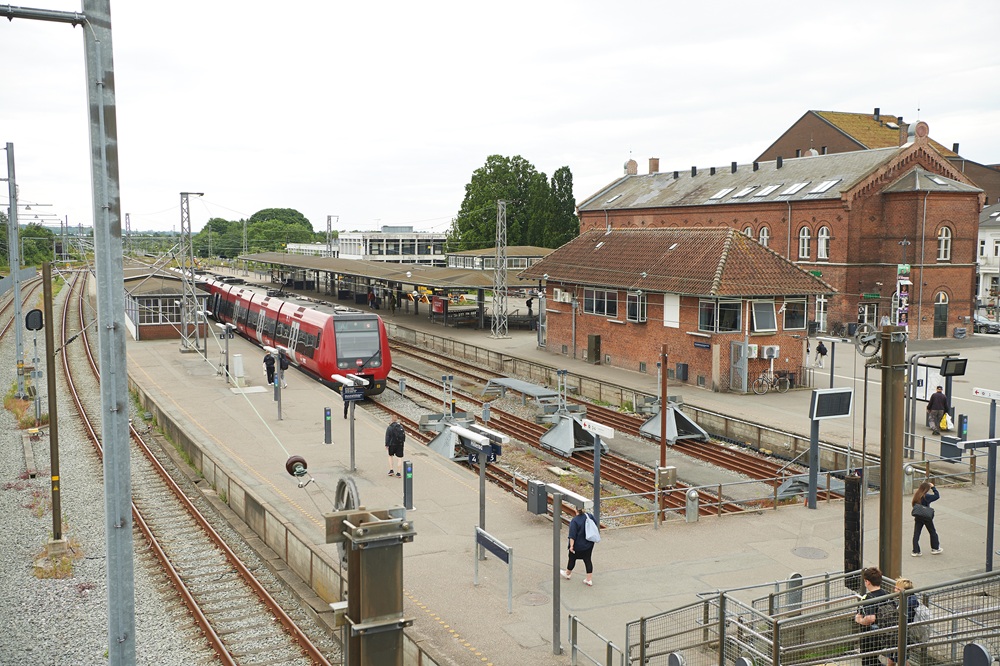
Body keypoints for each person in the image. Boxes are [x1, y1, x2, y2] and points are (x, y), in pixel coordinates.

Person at [854, 566, 889, 666]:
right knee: (873, 659)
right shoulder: (887, 594)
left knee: (867, 660)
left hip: (870, 636)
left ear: (867, 582)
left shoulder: (868, 598)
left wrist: (859, 620)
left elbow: (870, 618)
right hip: (885, 633)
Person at [560, 506, 597, 586]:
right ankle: (589, 579)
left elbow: (572, 536)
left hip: (578, 546)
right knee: (587, 560)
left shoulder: (575, 521)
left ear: (576, 510)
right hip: (589, 544)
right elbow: (595, 524)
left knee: (572, 559)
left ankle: (568, 573)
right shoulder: (589, 516)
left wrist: (571, 546)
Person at [886, 578, 919, 666]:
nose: (895, 590)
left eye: (898, 589)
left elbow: (903, 618)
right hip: (897, 634)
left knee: (901, 660)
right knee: (892, 659)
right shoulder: (905, 599)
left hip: (901, 635)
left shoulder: (908, 603)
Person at [911, 480, 941, 556]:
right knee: (932, 532)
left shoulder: (917, 495)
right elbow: (937, 496)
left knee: (916, 533)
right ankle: (935, 548)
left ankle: (916, 551)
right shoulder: (926, 496)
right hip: (926, 516)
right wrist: (933, 487)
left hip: (918, 516)